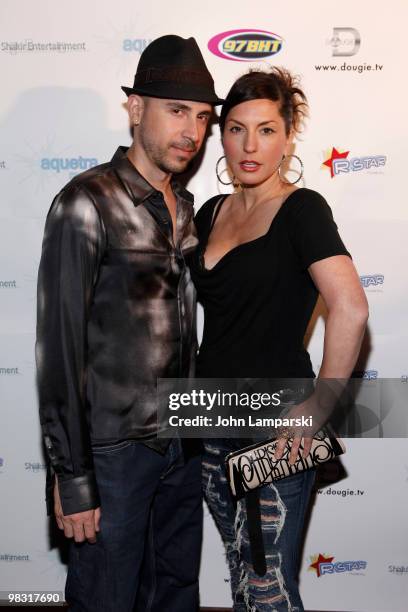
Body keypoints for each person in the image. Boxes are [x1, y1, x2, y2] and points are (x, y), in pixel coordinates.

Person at [36, 35, 223, 612]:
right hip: (114, 453)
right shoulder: (87, 201)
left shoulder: (189, 210)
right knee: (106, 599)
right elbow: (59, 351)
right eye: (175, 110)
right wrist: (73, 476)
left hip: (182, 446)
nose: (191, 132)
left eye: (200, 117)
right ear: (136, 108)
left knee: (174, 595)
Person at [190, 68, 368, 611]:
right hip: (211, 419)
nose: (249, 145)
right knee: (243, 581)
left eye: (266, 130)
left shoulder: (302, 210)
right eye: (237, 129)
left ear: (289, 136)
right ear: (221, 136)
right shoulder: (210, 212)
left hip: (276, 428)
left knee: (269, 592)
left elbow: (351, 307)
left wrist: (323, 402)